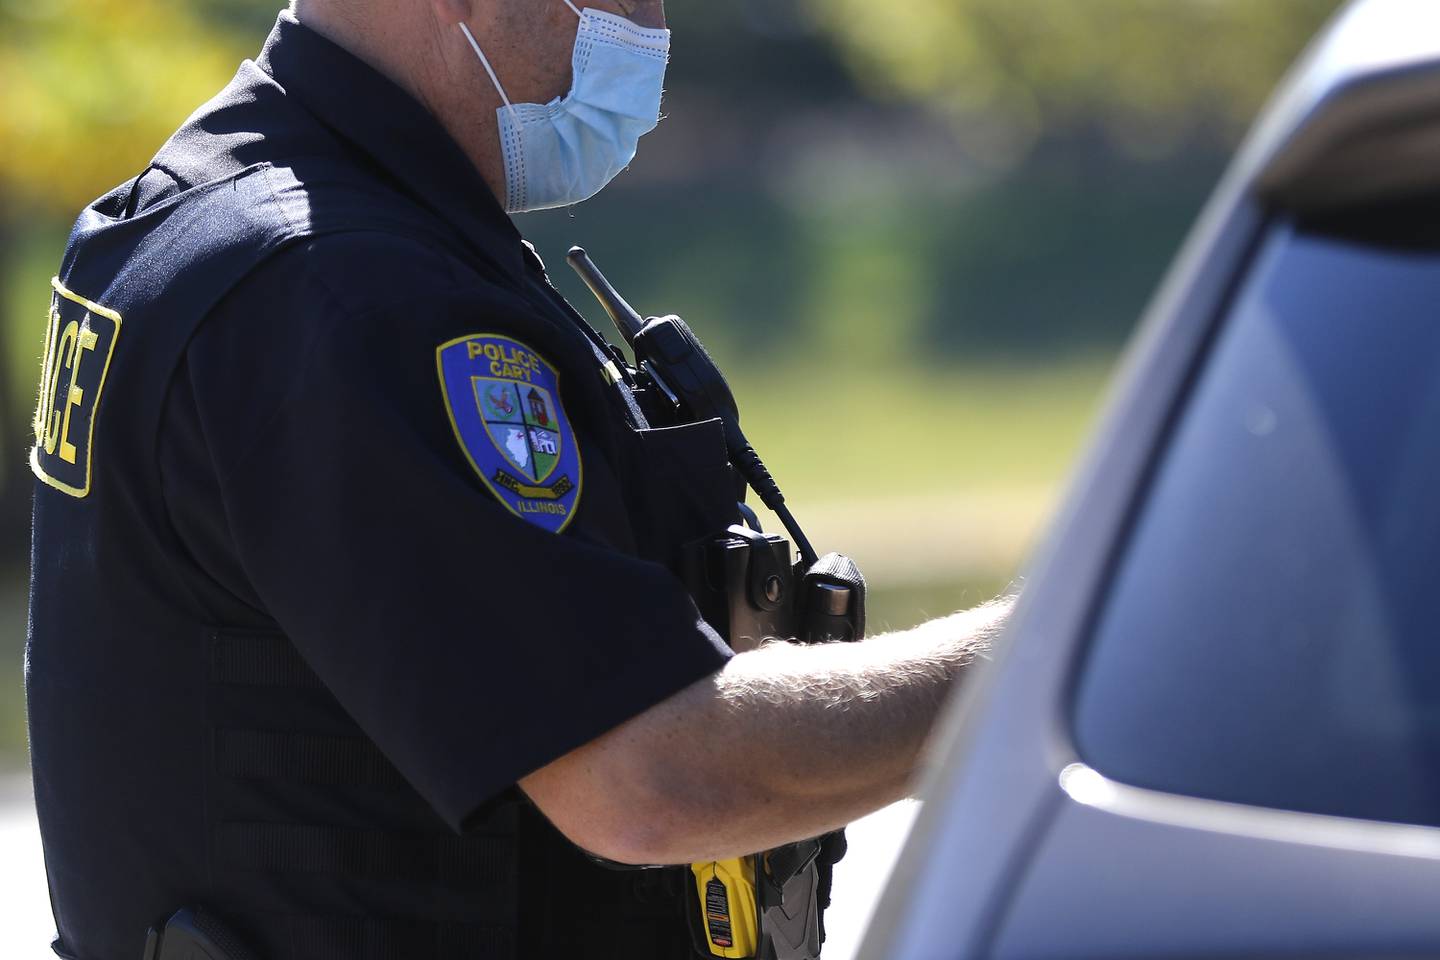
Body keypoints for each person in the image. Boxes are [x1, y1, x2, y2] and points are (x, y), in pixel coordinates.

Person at [25, 0, 1011, 957]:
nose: (651, 27)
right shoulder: (351, 291)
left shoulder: (198, 212)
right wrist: (1047, 654)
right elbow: (649, 782)